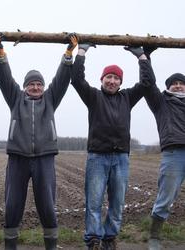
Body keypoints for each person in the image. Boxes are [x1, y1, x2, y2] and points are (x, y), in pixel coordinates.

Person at [0, 33, 77, 250]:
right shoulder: (15, 98)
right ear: (25, 87)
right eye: (32, 84)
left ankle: (51, 245)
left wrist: (68, 54)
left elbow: (62, 80)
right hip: (18, 158)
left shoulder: (51, 99)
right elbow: (4, 79)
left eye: (39, 84)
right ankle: (10, 245)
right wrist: (0, 53)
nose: (36, 87)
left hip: (44, 159)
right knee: (13, 205)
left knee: (47, 205)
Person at [71, 44, 156, 250]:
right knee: (94, 203)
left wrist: (142, 57)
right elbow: (77, 79)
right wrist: (81, 52)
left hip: (121, 159)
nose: (112, 81)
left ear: (120, 82)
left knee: (117, 204)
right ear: (102, 80)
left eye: (116, 78)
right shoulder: (93, 96)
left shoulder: (127, 97)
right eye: (108, 77)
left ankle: (109, 239)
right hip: (97, 158)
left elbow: (147, 83)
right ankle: (93, 240)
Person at [142, 51, 185, 250]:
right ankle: (155, 237)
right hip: (174, 153)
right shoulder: (161, 103)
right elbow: (149, 84)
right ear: (168, 87)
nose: (178, 85)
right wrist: (145, 58)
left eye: (181, 83)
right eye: (174, 83)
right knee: (166, 196)